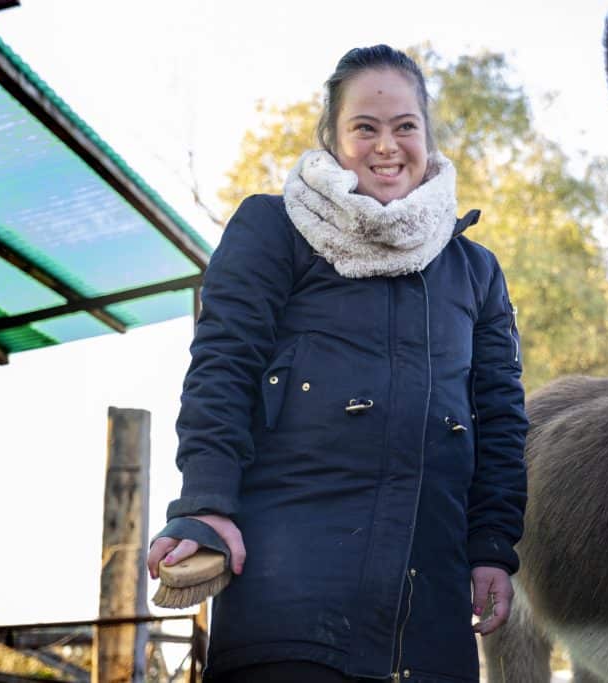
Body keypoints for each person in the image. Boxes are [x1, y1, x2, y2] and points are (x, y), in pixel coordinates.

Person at [147, 44, 528, 683]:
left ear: (426, 136)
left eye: (405, 126)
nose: (387, 145)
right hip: (288, 602)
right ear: (332, 138)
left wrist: (493, 547)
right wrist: (207, 501)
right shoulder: (273, 228)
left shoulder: (476, 270)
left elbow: (502, 417)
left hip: (429, 611)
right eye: (365, 127)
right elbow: (222, 364)